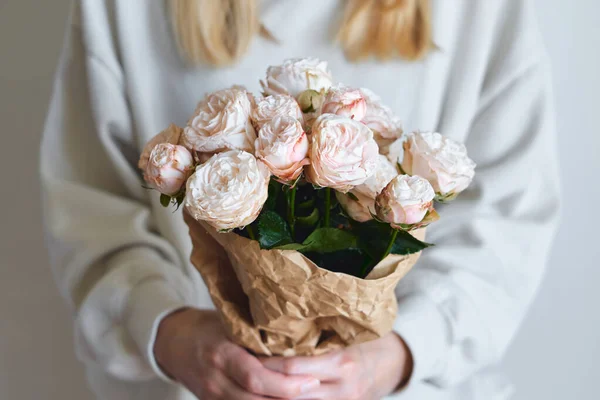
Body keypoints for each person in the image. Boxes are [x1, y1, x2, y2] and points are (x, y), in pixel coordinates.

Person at [40, 0, 560, 399]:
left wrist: (400, 353)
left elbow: (507, 221)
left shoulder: (479, 12)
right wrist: (172, 334)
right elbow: (90, 205)